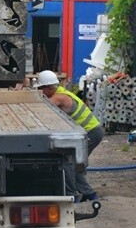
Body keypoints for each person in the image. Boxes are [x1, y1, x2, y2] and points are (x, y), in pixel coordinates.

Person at [34, 70, 104, 202]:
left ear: (49, 88)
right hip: (88, 132)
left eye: (40, 89)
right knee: (75, 164)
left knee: (70, 163)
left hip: (91, 132)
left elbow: (40, 107)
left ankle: (74, 195)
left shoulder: (59, 97)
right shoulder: (60, 92)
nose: (40, 92)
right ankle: (88, 194)